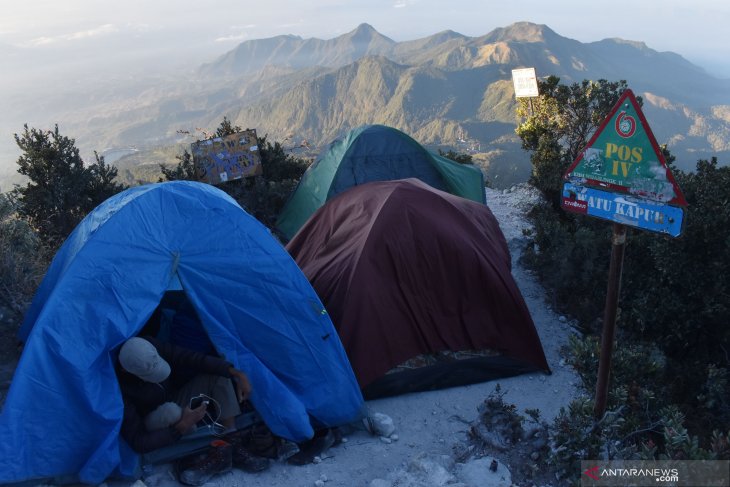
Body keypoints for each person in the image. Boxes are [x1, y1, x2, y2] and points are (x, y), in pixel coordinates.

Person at [116, 336, 269, 484]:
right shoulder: (120, 390)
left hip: (171, 397)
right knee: (171, 411)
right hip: (153, 419)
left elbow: (190, 358)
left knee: (218, 376)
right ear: (126, 371)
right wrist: (181, 426)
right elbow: (139, 441)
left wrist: (234, 372)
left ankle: (230, 441)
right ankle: (191, 441)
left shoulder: (147, 345)